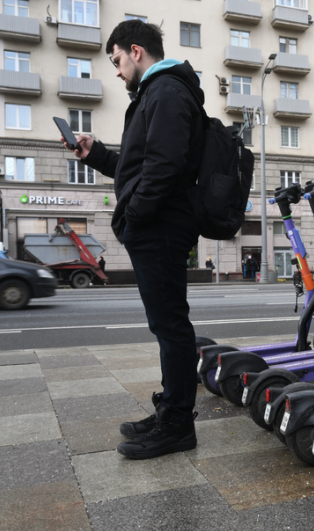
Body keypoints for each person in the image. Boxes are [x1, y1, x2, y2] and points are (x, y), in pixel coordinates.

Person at [61, 20, 205, 459]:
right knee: (167, 325)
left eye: (118, 61)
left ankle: (178, 424)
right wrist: (97, 154)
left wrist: (133, 218)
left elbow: (162, 167)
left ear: (136, 51)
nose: (118, 71)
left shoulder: (165, 92)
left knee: (171, 326)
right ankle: (170, 410)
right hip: (158, 224)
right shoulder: (158, 93)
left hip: (160, 226)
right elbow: (141, 163)